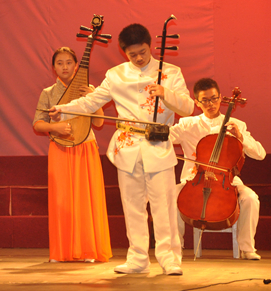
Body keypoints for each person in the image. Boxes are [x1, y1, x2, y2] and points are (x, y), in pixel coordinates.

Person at [49, 23, 194, 275]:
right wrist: (64, 109)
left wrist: (165, 93)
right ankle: (138, 258)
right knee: (132, 205)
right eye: (132, 54)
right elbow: (93, 100)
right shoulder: (115, 74)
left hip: (158, 146)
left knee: (164, 206)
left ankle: (169, 258)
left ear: (151, 46)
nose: (138, 58)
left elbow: (188, 107)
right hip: (127, 148)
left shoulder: (170, 72)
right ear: (123, 51)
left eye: (143, 52)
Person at [170, 78, 266, 260]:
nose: (211, 104)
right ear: (197, 102)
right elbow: (165, 137)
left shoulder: (237, 124)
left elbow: (260, 154)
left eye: (214, 98)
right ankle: (176, 247)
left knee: (251, 199)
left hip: (227, 181)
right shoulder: (186, 124)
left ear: (221, 98)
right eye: (205, 100)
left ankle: (247, 248)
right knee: (170, 196)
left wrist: (240, 138)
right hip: (193, 181)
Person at [33, 47, 112, 263]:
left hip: (86, 147)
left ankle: (88, 249)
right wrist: (55, 128)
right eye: (60, 63)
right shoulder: (48, 93)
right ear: (53, 67)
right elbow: (37, 124)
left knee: (87, 198)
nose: (65, 67)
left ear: (76, 65)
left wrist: (93, 99)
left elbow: (99, 123)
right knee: (62, 200)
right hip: (59, 149)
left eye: (69, 62)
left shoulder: (88, 89)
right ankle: (62, 251)